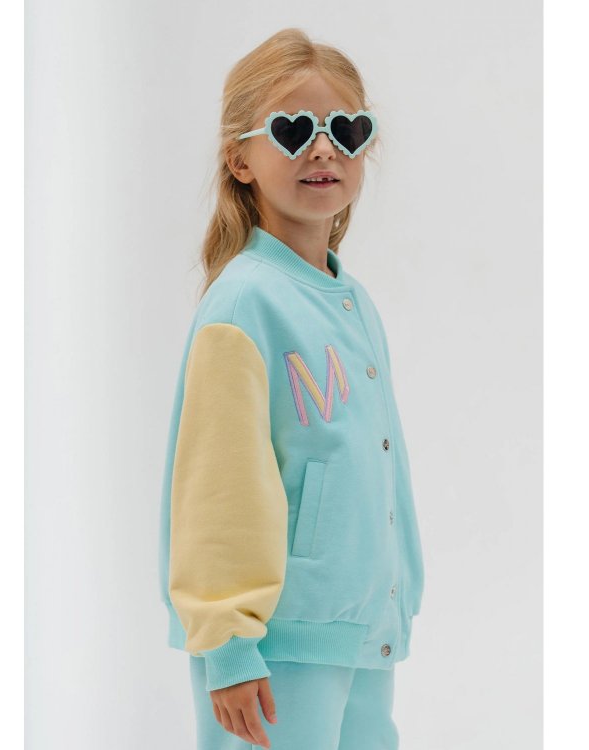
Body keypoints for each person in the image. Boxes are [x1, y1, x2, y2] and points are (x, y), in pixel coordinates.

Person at [158, 27, 425, 750]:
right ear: (239, 158)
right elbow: (218, 489)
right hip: (276, 647)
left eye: (346, 129)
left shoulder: (351, 300)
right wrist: (229, 645)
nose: (323, 148)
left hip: (359, 631)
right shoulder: (245, 303)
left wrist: (397, 598)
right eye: (293, 129)